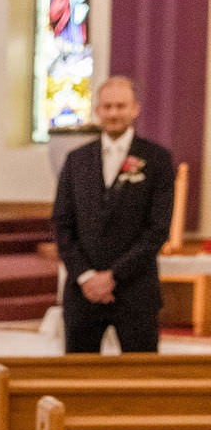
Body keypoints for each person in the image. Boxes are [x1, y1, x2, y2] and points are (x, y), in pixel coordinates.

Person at [53, 75, 175, 353]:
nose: (113, 113)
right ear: (97, 111)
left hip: (135, 291)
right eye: (107, 107)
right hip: (82, 293)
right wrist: (85, 276)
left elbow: (158, 228)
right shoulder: (77, 160)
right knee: (80, 382)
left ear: (135, 109)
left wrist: (113, 276)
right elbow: (62, 223)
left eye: (120, 106)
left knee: (139, 382)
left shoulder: (156, 159)